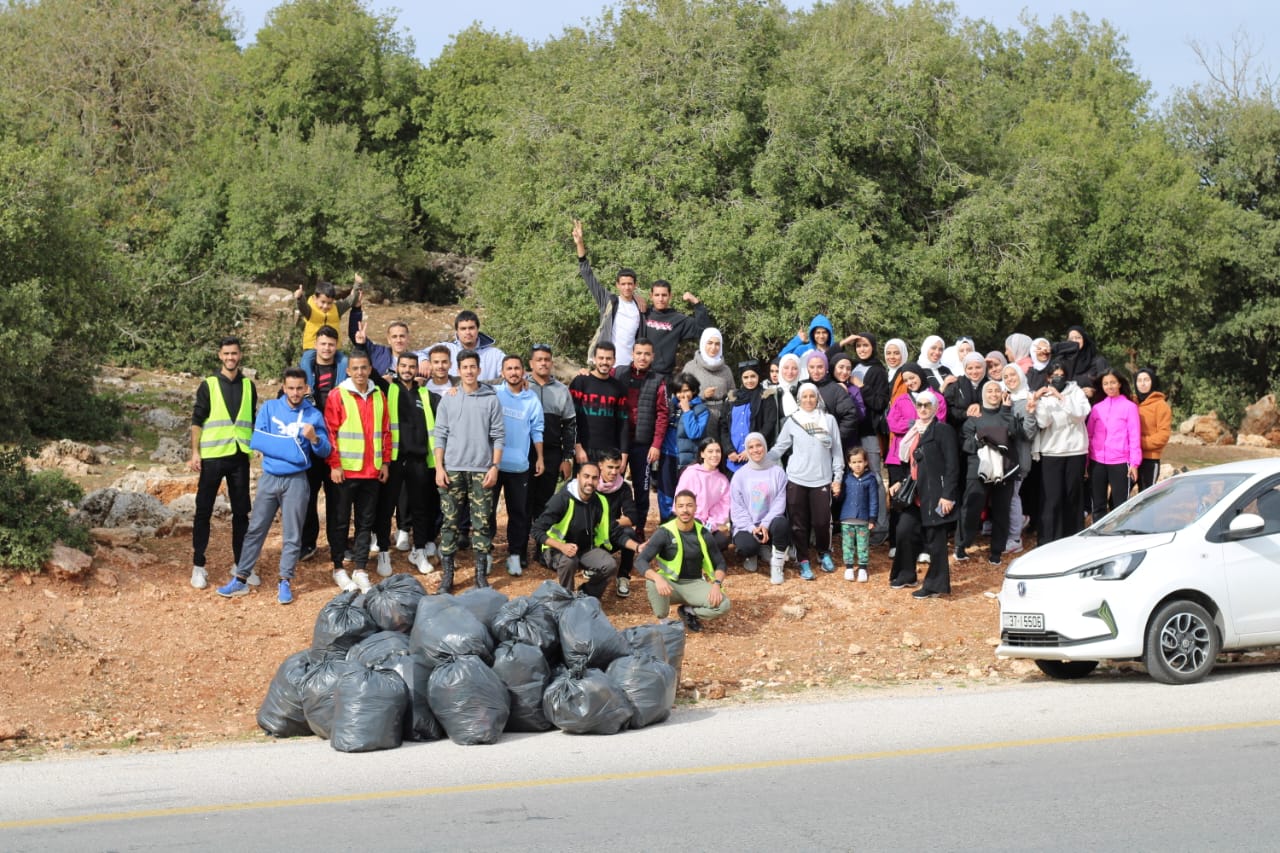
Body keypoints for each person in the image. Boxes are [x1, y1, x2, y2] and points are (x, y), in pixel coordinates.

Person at [216, 367, 330, 604]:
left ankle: (285, 581)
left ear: (307, 388)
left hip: (297, 480)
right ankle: (241, 578)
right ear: (284, 387)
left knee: (292, 533)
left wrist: (314, 439)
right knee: (256, 528)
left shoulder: (313, 415)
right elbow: (258, 440)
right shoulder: (270, 408)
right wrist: (293, 450)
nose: (295, 392)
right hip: (269, 477)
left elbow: (325, 450)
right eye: (291, 388)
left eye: (300, 388)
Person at [188, 337, 257, 590]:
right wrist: (195, 452)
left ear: (240, 355)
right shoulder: (208, 385)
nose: (231, 357)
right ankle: (199, 565)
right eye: (226, 353)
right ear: (220, 356)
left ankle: (241, 565)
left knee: (241, 514)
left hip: (239, 457)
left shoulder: (249, 386)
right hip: (213, 457)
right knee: (203, 511)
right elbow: (197, 420)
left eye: (235, 353)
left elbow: (251, 420)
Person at [434, 349, 505, 592]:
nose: (469, 371)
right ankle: (447, 576)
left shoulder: (491, 398)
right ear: (458, 370)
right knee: (449, 523)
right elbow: (440, 435)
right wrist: (439, 467)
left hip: (481, 470)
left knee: (482, 523)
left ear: (479, 369)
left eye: (473, 367)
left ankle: (480, 576)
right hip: (452, 469)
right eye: (464, 367)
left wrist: (495, 466)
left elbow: (498, 435)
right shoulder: (449, 398)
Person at [322, 349, 390, 592]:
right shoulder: (337, 395)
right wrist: (335, 464)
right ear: (348, 371)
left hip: (371, 472)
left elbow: (385, 431)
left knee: (365, 522)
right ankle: (339, 567)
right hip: (345, 472)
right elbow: (330, 432)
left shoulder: (379, 395)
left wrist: (385, 462)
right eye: (355, 368)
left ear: (370, 369)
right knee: (339, 521)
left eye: (364, 368)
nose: (360, 372)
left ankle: (360, 568)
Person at [371, 352, 442, 577]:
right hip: (393, 461)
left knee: (421, 509)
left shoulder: (427, 395)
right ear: (397, 367)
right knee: (386, 508)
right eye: (404, 366)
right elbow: (369, 371)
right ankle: (383, 551)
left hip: (420, 461)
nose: (408, 370)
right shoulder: (388, 389)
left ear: (417, 370)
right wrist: (362, 344)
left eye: (412, 366)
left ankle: (418, 550)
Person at [531, 461, 643, 600]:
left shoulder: (600, 501)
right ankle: (567, 601)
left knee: (609, 565)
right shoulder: (562, 499)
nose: (590, 481)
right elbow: (536, 530)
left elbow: (615, 532)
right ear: (578, 477)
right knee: (569, 561)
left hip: (584, 549)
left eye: (594, 478)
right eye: (586, 476)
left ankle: (587, 594)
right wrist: (562, 546)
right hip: (557, 550)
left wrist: (638, 547)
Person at [887, 393, 959, 598]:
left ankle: (935, 585)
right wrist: (900, 481)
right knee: (904, 530)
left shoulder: (943, 430)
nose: (923, 409)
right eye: (920, 405)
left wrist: (948, 495)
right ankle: (905, 574)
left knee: (936, 540)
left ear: (936, 408)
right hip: (916, 494)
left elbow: (953, 465)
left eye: (928, 405)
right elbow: (909, 463)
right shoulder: (913, 432)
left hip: (936, 494)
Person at [768, 382, 842, 580]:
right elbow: (780, 447)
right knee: (798, 524)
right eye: (805, 397)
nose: (808, 400)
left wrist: (838, 477)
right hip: (797, 478)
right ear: (799, 399)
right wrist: (760, 459)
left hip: (821, 479)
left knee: (821, 522)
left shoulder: (829, 420)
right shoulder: (793, 421)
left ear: (817, 398)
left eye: (812, 396)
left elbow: (837, 452)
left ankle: (823, 553)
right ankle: (803, 560)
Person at [956, 380, 1030, 566]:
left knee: (1001, 510)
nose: (993, 394)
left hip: (1005, 470)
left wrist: (1005, 411)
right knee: (971, 507)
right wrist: (989, 440)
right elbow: (967, 444)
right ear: (983, 394)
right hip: (979, 469)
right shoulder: (975, 416)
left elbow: (1015, 433)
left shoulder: (1008, 413)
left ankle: (996, 550)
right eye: (989, 391)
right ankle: (961, 545)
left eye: (997, 390)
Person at [638, 489, 730, 633]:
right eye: (680, 506)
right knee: (651, 581)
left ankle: (689, 611)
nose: (685, 510)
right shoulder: (664, 532)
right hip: (670, 584)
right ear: (675, 509)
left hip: (694, 583)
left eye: (689, 505)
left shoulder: (703, 533)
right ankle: (664, 621)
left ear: (695, 508)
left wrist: (717, 584)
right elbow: (641, 561)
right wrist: (657, 578)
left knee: (723, 605)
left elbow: (720, 563)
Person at [493, 354, 544, 576]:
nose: (513, 372)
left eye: (517, 368)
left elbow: (537, 429)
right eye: (509, 369)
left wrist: (540, 457)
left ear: (523, 372)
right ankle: (484, 555)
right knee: (487, 513)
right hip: (493, 464)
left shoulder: (531, 399)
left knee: (519, 514)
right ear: (502, 373)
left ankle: (515, 556)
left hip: (520, 466)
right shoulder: (494, 394)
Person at [1031, 359, 1091, 544]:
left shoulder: (1076, 392)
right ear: (1047, 377)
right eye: (1053, 375)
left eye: (1061, 375)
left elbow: (1081, 414)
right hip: (1052, 452)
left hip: (1075, 451)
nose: (1057, 378)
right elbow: (1043, 422)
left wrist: (1061, 398)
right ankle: (1049, 539)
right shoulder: (1043, 396)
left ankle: (1072, 538)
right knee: (1052, 497)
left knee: (1073, 495)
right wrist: (1039, 400)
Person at [614, 339, 668, 540]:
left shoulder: (658, 380)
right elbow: (599, 379)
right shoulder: (619, 373)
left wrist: (656, 444)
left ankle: (639, 529)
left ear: (652, 356)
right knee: (613, 483)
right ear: (633, 354)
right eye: (639, 353)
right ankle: (614, 525)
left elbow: (663, 414)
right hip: (618, 442)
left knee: (642, 489)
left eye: (647, 354)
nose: (642, 357)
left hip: (643, 444)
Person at [573, 219, 647, 368]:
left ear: (635, 285)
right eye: (623, 284)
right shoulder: (609, 302)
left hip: (629, 367)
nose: (627, 287)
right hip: (605, 366)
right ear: (617, 285)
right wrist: (580, 244)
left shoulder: (640, 308)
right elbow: (587, 274)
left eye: (630, 284)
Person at [525, 344, 577, 548]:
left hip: (552, 453)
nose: (543, 363)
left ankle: (542, 547)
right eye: (539, 359)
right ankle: (518, 549)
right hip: (525, 453)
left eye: (547, 359)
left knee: (546, 503)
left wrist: (567, 458)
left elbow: (570, 426)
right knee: (523, 501)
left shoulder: (562, 390)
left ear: (551, 363)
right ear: (531, 363)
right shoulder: (521, 386)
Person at [728, 432, 790, 582]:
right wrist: (752, 528)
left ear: (765, 446)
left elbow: (779, 504)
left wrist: (765, 524)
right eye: (751, 447)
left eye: (759, 445)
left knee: (782, 523)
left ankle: (777, 565)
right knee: (748, 546)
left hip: (769, 525)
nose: (755, 450)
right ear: (747, 450)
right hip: (747, 527)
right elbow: (737, 508)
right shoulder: (740, 475)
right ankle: (754, 552)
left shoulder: (778, 472)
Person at [848, 333, 891, 543]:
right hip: (851, 431)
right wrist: (846, 341)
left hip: (869, 432)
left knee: (874, 476)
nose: (862, 349)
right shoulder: (852, 366)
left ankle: (881, 526)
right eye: (858, 345)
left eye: (865, 345)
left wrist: (861, 387)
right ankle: (859, 522)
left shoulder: (878, 371)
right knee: (854, 476)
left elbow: (880, 402)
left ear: (873, 347)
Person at [1087, 369, 1141, 516]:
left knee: (1120, 507)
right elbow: (1089, 435)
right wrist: (1087, 463)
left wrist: (1134, 463)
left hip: (1120, 463)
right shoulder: (1097, 408)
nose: (1109, 386)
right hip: (1097, 462)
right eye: (1106, 383)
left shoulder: (1130, 407)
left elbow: (1134, 436)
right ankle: (1098, 537)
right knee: (1098, 505)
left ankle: (1119, 537)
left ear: (1119, 384)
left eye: (1112, 382)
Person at [656, 373, 709, 521]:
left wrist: (687, 412)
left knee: (686, 495)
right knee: (665, 493)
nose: (682, 395)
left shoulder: (701, 410)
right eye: (679, 391)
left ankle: (685, 527)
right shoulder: (669, 406)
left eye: (686, 391)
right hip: (668, 455)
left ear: (693, 391)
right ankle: (666, 525)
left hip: (688, 459)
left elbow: (695, 433)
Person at [569, 341, 629, 467]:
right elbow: (571, 418)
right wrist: (577, 446)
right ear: (594, 359)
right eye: (601, 358)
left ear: (614, 360)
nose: (604, 362)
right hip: (584, 450)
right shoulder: (580, 382)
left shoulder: (619, 388)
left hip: (609, 453)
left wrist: (624, 453)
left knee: (609, 487)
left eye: (608, 358)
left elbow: (623, 423)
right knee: (584, 486)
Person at [1000, 363, 1039, 553]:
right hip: (1004, 459)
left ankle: (1015, 538)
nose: (1009, 379)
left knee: (1013, 497)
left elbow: (1029, 433)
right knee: (1008, 497)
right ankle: (1017, 524)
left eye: (1012, 375)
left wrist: (1030, 413)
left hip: (1018, 458)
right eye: (1005, 376)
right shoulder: (1005, 398)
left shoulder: (1026, 399)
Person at [639, 278, 714, 377]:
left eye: (664, 295)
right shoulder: (643, 313)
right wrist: (635, 297)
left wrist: (696, 303)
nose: (660, 299)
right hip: (640, 373)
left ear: (670, 296)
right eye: (657, 295)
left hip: (663, 376)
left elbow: (704, 331)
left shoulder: (678, 320)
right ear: (651, 296)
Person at [595, 448, 640, 597]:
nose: (614, 472)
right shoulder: (590, 484)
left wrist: (608, 524)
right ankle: (591, 565)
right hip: (589, 536)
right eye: (610, 467)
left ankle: (623, 576)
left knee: (630, 533)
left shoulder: (623, 487)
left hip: (611, 533)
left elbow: (632, 517)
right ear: (600, 465)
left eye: (617, 467)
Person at [721, 359, 779, 473]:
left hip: (757, 458)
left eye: (753, 376)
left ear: (758, 377)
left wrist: (751, 449)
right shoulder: (733, 399)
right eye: (745, 377)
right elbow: (724, 427)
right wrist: (729, 450)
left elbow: (769, 424)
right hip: (734, 459)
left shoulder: (766, 397)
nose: (750, 380)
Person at [675, 438, 732, 552]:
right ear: (702, 454)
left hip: (710, 525)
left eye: (718, 451)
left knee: (722, 541)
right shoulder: (691, 473)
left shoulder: (722, 480)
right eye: (710, 451)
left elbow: (723, 508)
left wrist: (710, 525)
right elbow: (681, 501)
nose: (715, 455)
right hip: (690, 519)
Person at [679, 327, 734, 442]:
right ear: (703, 343)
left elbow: (732, 393)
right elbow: (680, 396)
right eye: (710, 343)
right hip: (699, 416)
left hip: (722, 418)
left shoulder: (726, 370)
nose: (713, 347)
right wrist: (702, 395)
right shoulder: (691, 367)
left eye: (717, 344)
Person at [428, 310, 506, 382]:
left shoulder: (495, 354)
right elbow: (420, 354)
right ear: (457, 331)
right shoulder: (446, 348)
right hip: (452, 395)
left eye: (471, 328)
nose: (468, 332)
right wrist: (424, 361)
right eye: (463, 329)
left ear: (477, 329)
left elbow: (511, 369)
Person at [839, 446, 879, 583]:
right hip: (847, 519)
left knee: (862, 545)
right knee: (847, 544)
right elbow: (841, 498)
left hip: (863, 519)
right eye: (854, 462)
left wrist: (872, 518)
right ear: (849, 464)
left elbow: (874, 500)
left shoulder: (871, 479)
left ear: (866, 462)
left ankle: (862, 567)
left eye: (860, 461)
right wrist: (837, 492)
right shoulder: (846, 479)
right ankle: (849, 567)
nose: (857, 465)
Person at [295, 277, 359, 352]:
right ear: (315, 299)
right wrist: (300, 298)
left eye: (329, 303)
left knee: (344, 362)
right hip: (312, 348)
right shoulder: (310, 310)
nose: (325, 306)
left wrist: (358, 284)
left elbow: (350, 301)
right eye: (323, 302)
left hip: (333, 348)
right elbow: (303, 306)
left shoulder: (337, 308)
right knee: (306, 362)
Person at [1134, 367, 1172, 492]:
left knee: (1146, 497)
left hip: (1149, 459)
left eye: (1146, 380)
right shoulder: (1131, 402)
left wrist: (1137, 442)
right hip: (1130, 457)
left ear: (1153, 382)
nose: (1143, 383)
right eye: (1139, 380)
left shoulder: (1161, 406)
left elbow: (1163, 436)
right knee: (1118, 497)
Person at [350, 313, 412, 378]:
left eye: (402, 336)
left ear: (408, 338)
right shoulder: (378, 352)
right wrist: (356, 309)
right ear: (389, 340)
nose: (398, 340)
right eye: (394, 337)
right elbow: (354, 333)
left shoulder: (417, 359)